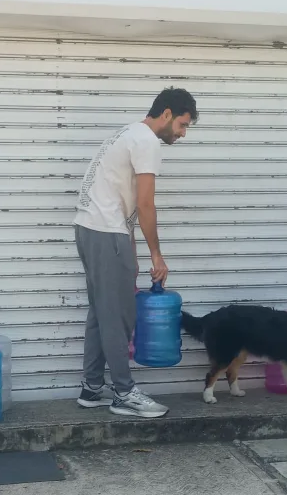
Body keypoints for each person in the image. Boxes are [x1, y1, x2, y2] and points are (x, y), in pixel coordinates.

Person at [72, 87, 198, 418]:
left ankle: (92, 387)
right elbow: (144, 203)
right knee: (119, 315)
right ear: (167, 114)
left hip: (91, 228)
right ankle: (124, 392)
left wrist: (130, 246)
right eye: (183, 125)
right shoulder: (147, 141)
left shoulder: (127, 132)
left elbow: (115, 194)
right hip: (105, 232)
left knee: (102, 313)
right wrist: (157, 254)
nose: (183, 134)